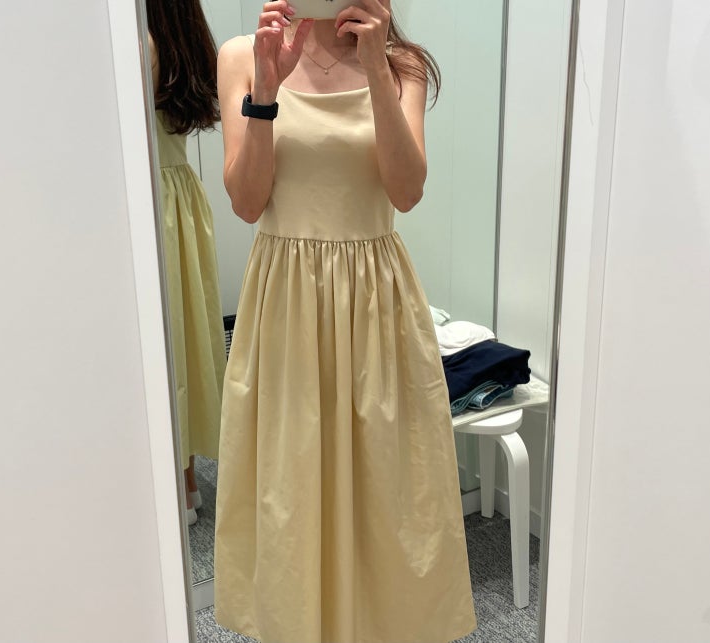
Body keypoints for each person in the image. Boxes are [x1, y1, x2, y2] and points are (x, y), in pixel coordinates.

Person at [214, 1, 477, 641]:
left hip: (375, 303)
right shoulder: (244, 55)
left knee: (387, 492)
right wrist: (267, 92)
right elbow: (246, 202)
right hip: (286, 303)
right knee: (291, 485)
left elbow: (406, 191)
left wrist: (377, 70)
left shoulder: (401, 64)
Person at [147, 0, 226, 525]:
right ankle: (187, 480)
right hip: (181, 197)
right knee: (187, 337)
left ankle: (173, 484)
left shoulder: (142, 44)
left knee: (163, 342)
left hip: (152, 198)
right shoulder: (183, 38)